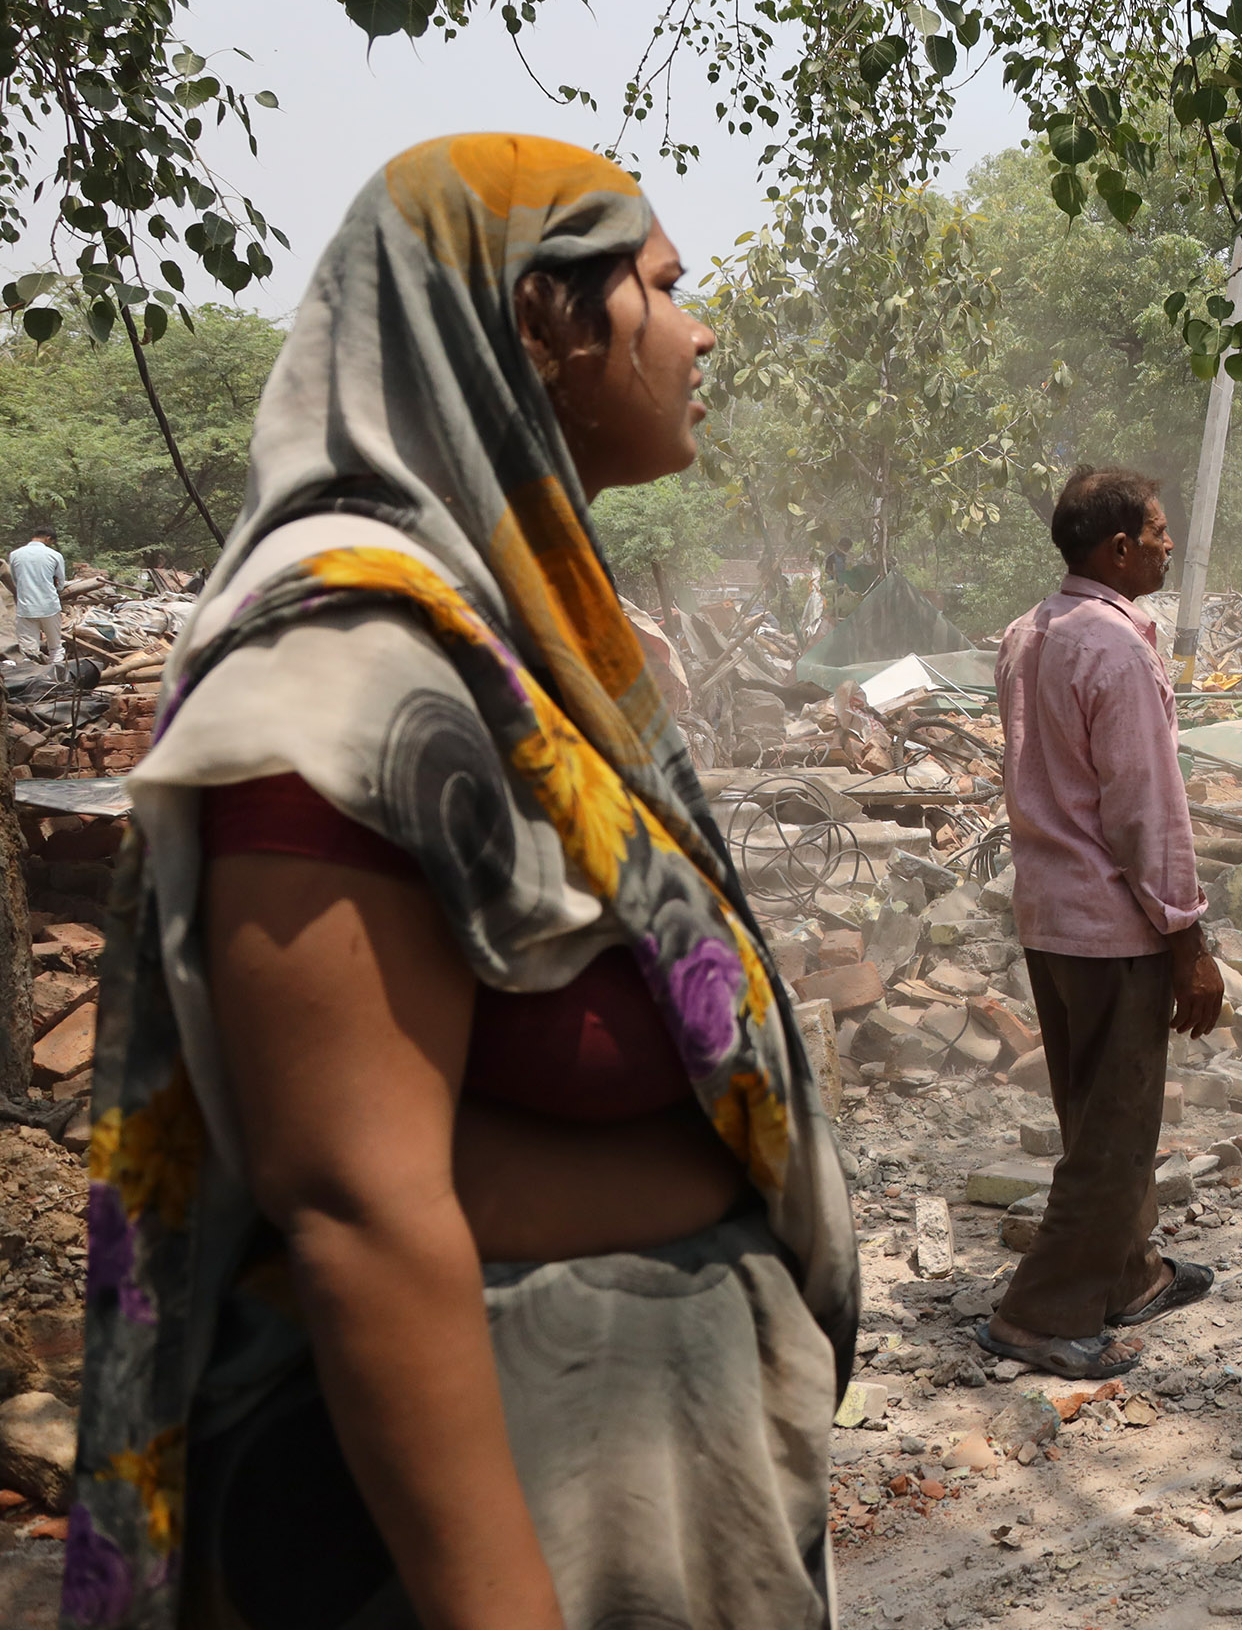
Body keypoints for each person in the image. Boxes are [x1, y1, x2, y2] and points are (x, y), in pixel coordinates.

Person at [65, 135, 857, 1629]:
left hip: (635, 1480)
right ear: (544, 327)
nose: (703, 329)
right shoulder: (342, 679)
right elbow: (358, 1208)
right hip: (470, 1537)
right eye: (668, 285)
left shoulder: (520, 648)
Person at [978, 468, 1224, 1380]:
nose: (1168, 545)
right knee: (1114, 1136)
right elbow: (1144, 809)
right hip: (1112, 922)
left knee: (1093, 1115)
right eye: (1158, 532)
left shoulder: (1026, 633)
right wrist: (1188, 939)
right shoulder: (1115, 649)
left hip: (1050, 914)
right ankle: (1039, 1316)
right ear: (1117, 547)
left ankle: (1130, 1274)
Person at [12, 524, 66, 664]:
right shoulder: (54, 555)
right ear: (48, 538)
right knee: (55, 647)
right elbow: (60, 583)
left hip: (26, 608)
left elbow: (15, 581)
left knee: (28, 650)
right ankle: (57, 677)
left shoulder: (15, 555)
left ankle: (31, 678)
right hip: (49, 607)